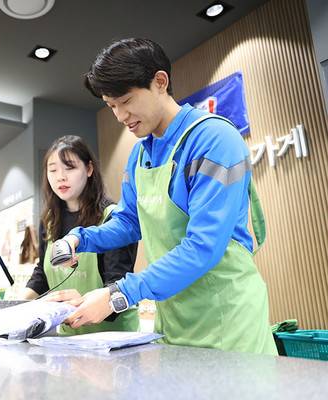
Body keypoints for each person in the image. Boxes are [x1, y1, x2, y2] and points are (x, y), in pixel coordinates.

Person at [57, 38, 276, 354]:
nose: (119, 115)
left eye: (125, 100)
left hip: (228, 319)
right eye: (111, 105)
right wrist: (81, 238)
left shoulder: (214, 139)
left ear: (160, 82)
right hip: (174, 320)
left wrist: (119, 294)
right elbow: (129, 222)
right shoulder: (139, 155)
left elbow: (203, 246)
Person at [22, 135, 139, 335]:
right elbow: (43, 273)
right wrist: (16, 305)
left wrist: (80, 302)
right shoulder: (49, 221)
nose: (60, 177)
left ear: (89, 169)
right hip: (68, 337)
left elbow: (117, 287)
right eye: (53, 170)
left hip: (112, 339)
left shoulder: (113, 219)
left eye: (69, 168)